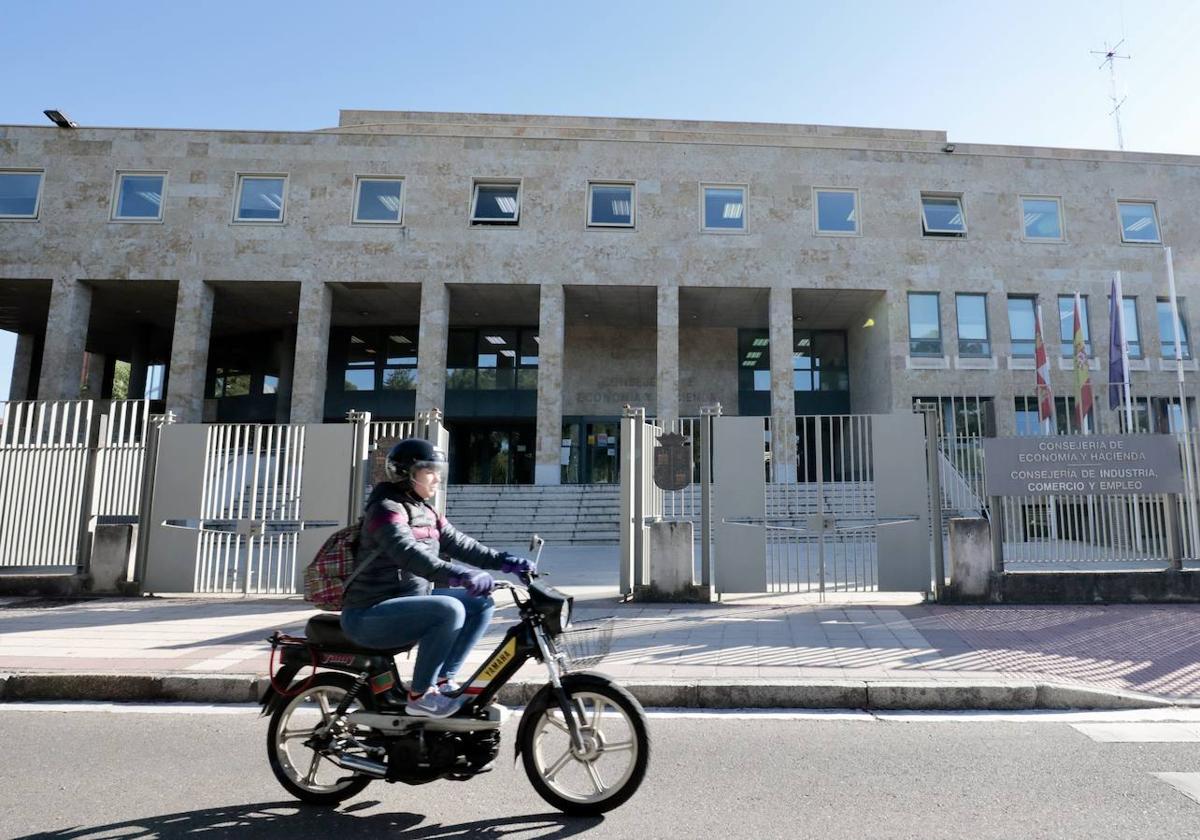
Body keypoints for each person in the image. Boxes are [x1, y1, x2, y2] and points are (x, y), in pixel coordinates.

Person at [340, 438, 536, 718]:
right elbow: (408, 554)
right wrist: (458, 574)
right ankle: (421, 695)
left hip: (407, 602)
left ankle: (444, 681)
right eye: (429, 471)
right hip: (368, 613)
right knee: (449, 609)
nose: (437, 478)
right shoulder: (384, 509)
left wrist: (505, 561)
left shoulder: (426, 511)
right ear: (407, 473)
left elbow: (462, 544)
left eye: (438, 470)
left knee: (479, 602)